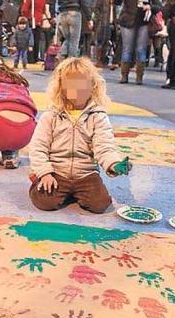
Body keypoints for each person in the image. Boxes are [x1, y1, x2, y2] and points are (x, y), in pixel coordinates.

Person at [28, 57, 131, 214]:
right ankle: (46, 184)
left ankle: (73, 193)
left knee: (100, 205)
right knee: (44, 201)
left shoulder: (98, 116)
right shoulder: (51, 116)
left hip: (86, 174)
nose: (76, 89)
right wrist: (45, 173)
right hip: (57, 172)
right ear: (61, 87)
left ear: (93, 86)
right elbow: (38, 147)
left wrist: (114, 164)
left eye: (81, 83)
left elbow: (104, 147)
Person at [117, 0, 160, 85]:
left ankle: (139, 77)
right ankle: (124, 76)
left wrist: (150, 7)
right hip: (128, 21)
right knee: (127, 49)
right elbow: (117, 2)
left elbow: (158, 5)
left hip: (144, 23)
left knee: (141, 49)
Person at [92, 0, 120, 70]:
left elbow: (120, 2)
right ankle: (100, 60)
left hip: (113, 22)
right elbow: (96, 9)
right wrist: (99, 18)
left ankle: (114, 61)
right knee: (102, 41)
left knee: (114, 41)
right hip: (103, 23)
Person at [20, 0, 48, 64]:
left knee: (29, 39)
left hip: (31, 20)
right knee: (36, 40)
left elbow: (24, 8)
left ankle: (30, 58)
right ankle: (35, 58)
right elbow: (43, 10)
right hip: (39, 21)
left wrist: (23, 16)